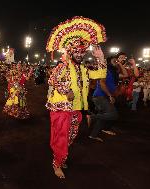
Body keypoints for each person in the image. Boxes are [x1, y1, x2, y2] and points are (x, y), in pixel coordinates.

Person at [45, 16, 107, 178]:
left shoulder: (83, 69)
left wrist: (100, 58)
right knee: (61, 137)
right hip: (61, 108)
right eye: (77, 52)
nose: (80, 55)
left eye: (82, 52)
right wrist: (66, 91)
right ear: (70, 52)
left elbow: (99, 74)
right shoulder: (63, 65)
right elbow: (53, 79)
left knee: (70, 136)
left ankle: (61, 156)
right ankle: (57, 163)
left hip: (77, 108)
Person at [87, 56, 128, 142]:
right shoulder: (105, 70)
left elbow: (126, 74)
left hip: (103, 96)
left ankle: (93, 135)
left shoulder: (114, 73)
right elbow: (102, 83)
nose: (117, 61)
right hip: (100, 96)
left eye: (117, 60)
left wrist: (120, 63)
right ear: (109, 62)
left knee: (103, 117)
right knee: (113, 115)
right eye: (115, 60)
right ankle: (92, 116)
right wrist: (110, 95)